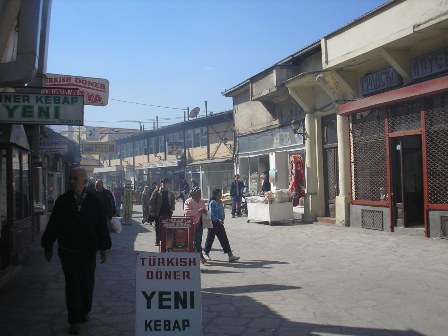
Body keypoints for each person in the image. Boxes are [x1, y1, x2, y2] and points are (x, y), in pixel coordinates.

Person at [41, 167, 111, 335]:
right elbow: (53, 225)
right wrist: (48, 245)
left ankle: (85, 309)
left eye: (75, 179)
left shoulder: (94, 201)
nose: (72, 181)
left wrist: (104, 247)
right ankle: (74, 319)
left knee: (86, 283)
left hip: (88, 251)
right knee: (72, 284)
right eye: (70, 178)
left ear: (84, 181)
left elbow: (102, 225)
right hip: (68, 250)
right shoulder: (63, 201)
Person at [203, 188, 239, 262]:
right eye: (219, 195)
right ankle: (206, 253)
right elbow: (212, 213)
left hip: (220, 223)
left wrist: (222, 219)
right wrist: (218, 220)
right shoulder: (212, 202)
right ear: (215, 195)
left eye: (221, 194)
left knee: (224, 239)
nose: (220, 196)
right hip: (213, 223)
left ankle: (230, 255)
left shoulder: (220, 202)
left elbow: (222, 211)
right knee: (210, 239)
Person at [183, 187, 208, 264]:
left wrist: (205, 211)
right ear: (193, 195)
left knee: (198, 241)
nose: (199, 196)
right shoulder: (188, 201)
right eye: (197, 194)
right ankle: (192, 257)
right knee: (191, 241)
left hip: (199, 222)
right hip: (191, 224)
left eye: (200, 194)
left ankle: (200, 256)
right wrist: (198, 211)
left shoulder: (202, 201)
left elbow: (205, 210)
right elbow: (187, 212)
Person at [149, 178, 176, 246]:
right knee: (158, 226)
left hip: (167, 212)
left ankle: (168, 241)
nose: (165, 184)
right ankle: (158, 240)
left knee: (168, 226)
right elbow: (151, 201)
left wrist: (172, 208)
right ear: (161, 183)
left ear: (168, 184)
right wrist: (152, 211)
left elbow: (173, 201)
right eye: (163, 183)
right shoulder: (156, 191)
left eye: (166, 183)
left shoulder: (170, 192)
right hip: (158, 212)